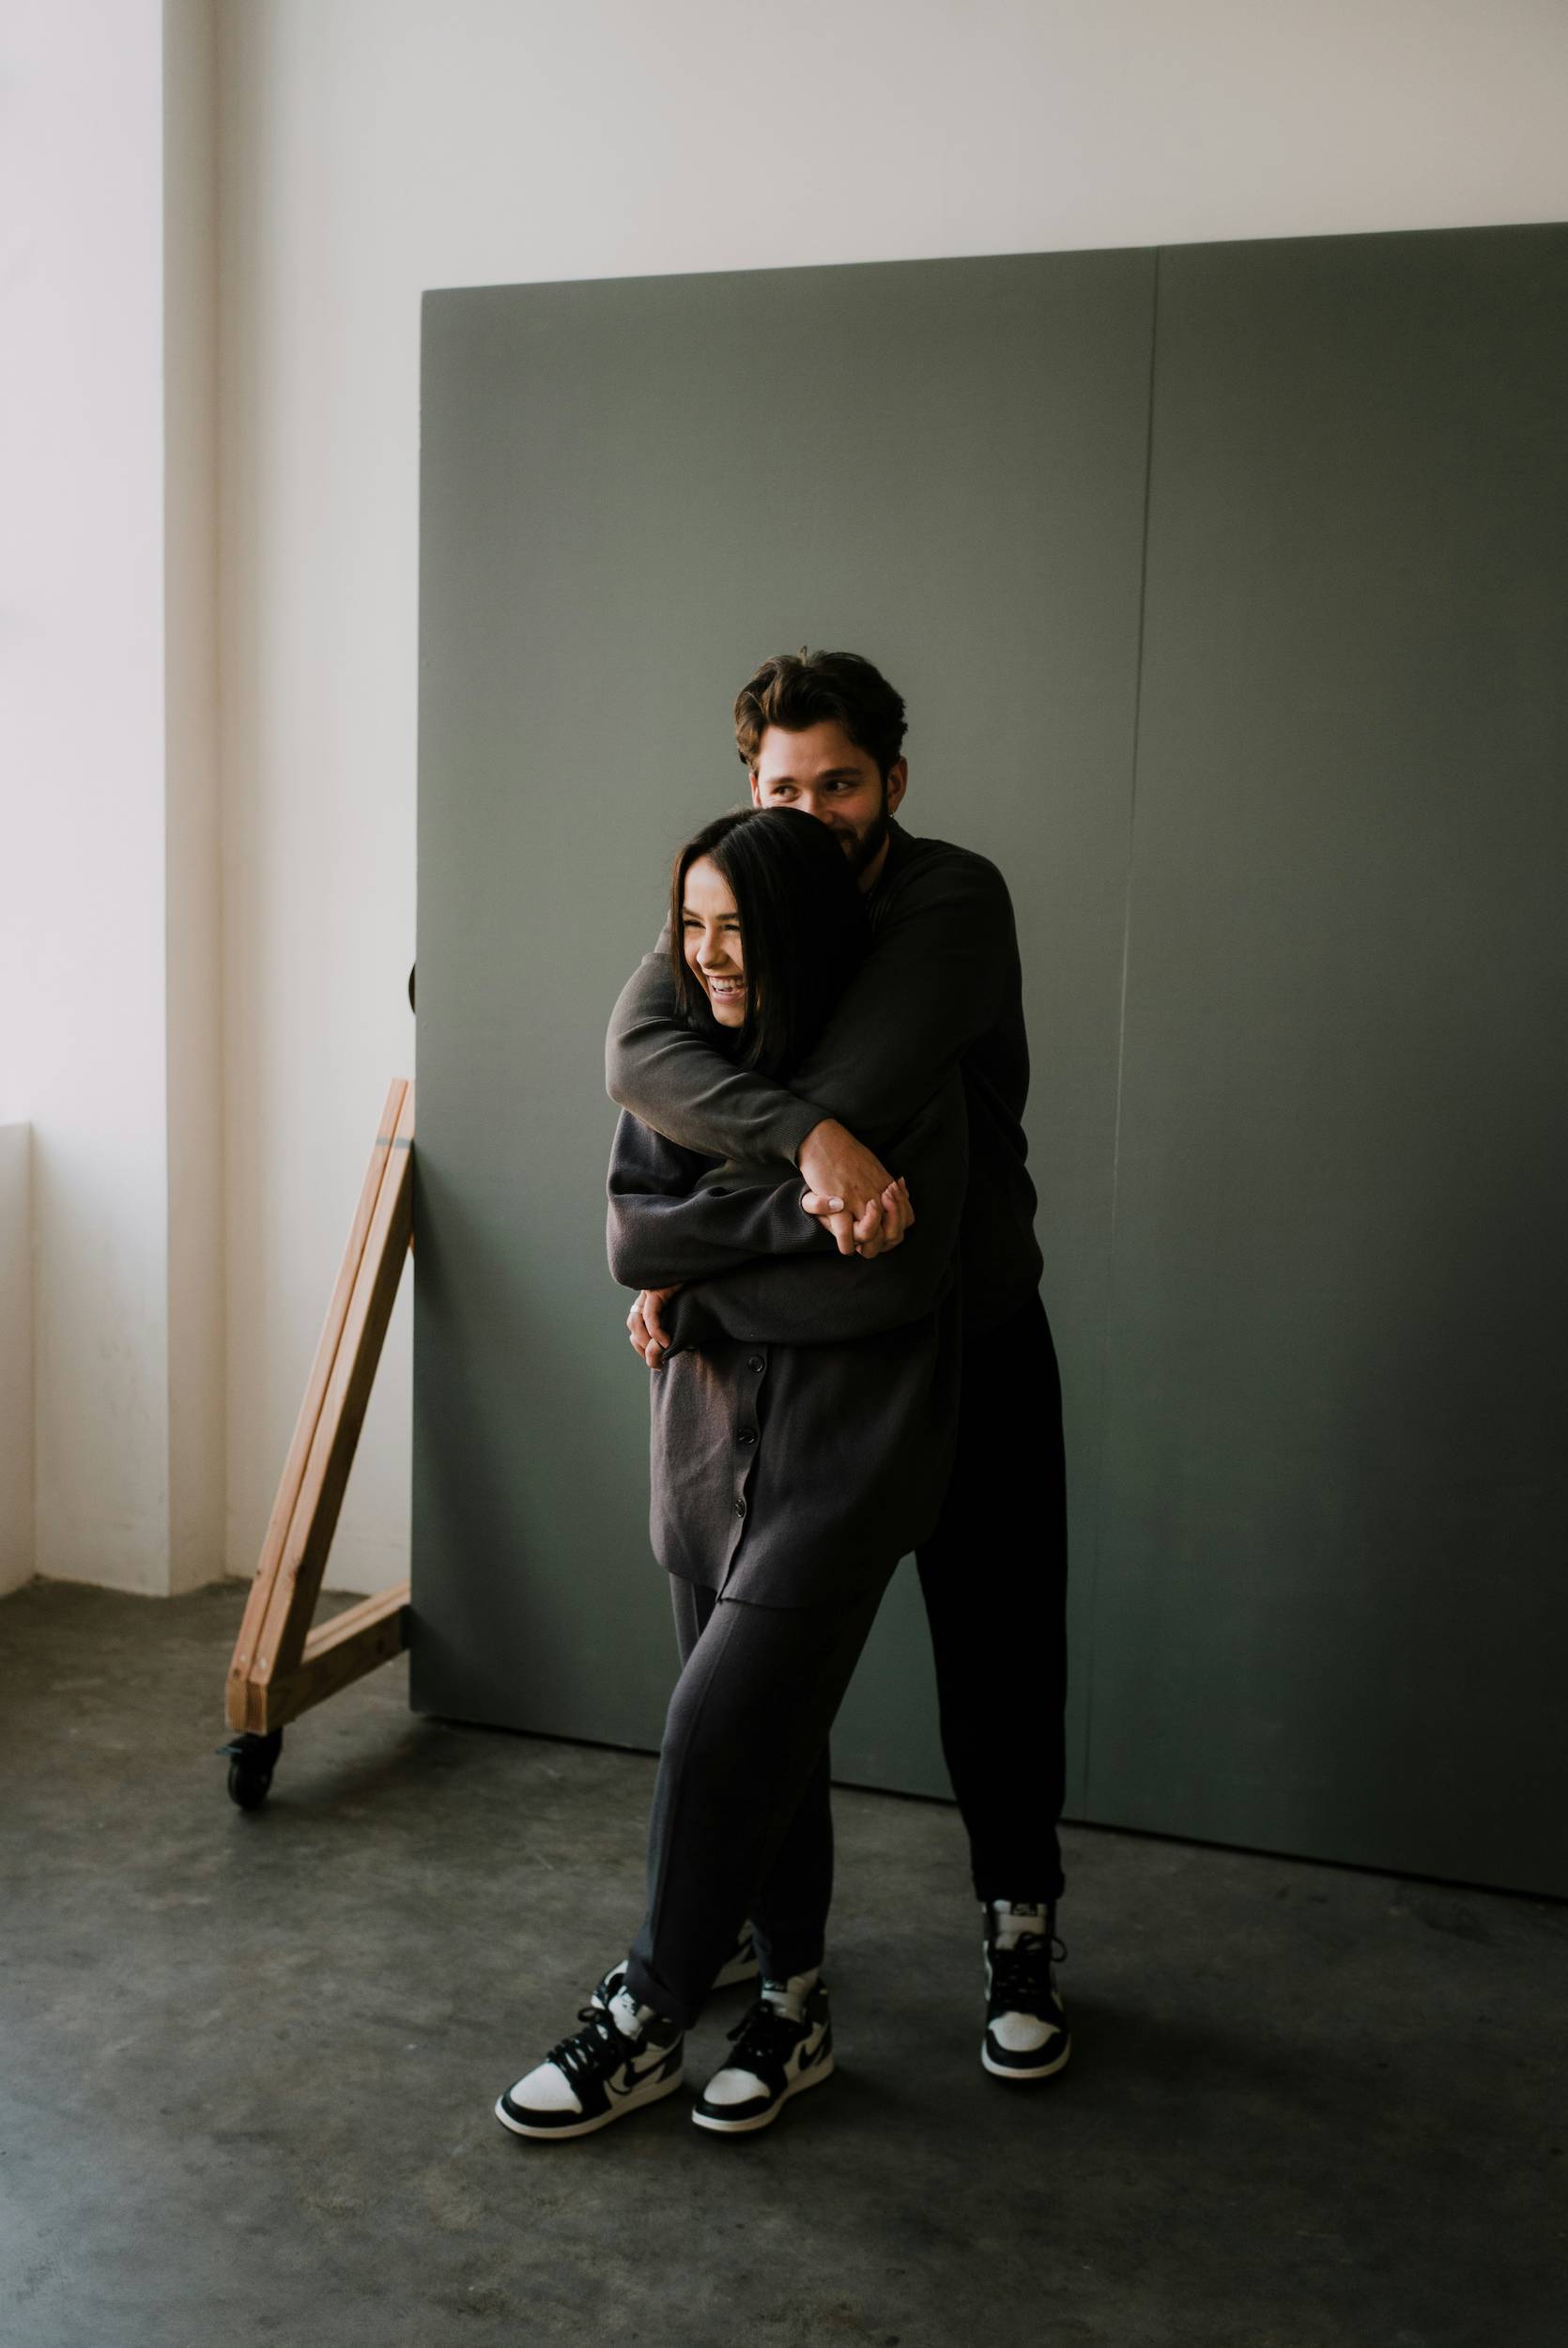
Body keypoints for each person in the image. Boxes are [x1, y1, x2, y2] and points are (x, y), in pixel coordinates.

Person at [606, 649, 1070, 2089]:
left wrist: (693, 1243)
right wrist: (789, 1163)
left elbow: (859, 1095)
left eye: (841, 784)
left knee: (998, 1662)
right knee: (762, 1671)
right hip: (802, 1355)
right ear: (748, 785)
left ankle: (1019, 1936)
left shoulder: (947, 898)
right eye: (781, 787)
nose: (812, 813)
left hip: (972, 1332)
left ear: (894, 783)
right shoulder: (730, 905)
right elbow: (640, 1054)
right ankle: (776, 1967)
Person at [496, 806, 969, 2139]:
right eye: (691, 924)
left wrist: (705, 1278)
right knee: (772, 1741)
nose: (709, 954)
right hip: (702, 1447)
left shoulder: (897, 1076)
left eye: (736, 928)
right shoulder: (682, 1065)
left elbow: (887, 1285)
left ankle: (645, 2015)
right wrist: (781, 1222)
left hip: (846, 1454)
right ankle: (795, 2002)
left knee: (720, 1725)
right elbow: (631, 1243)